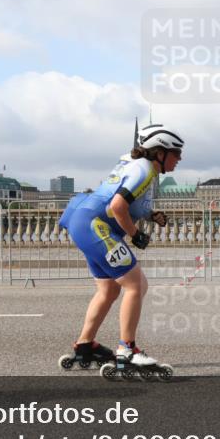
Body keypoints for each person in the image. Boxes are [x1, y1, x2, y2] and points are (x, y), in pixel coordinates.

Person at [58, 124, 184, 368]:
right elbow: (117, 206)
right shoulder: (144, 170)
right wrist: (135, 235)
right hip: (96, 226)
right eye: (176, 152)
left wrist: (151, 215)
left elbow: (129, 202)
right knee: (136, 284)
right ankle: (127, 350)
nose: (179, 158)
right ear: (159, 153)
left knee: (109, 290)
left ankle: (85, 345)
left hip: (82, 222)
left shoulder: (134, 165)